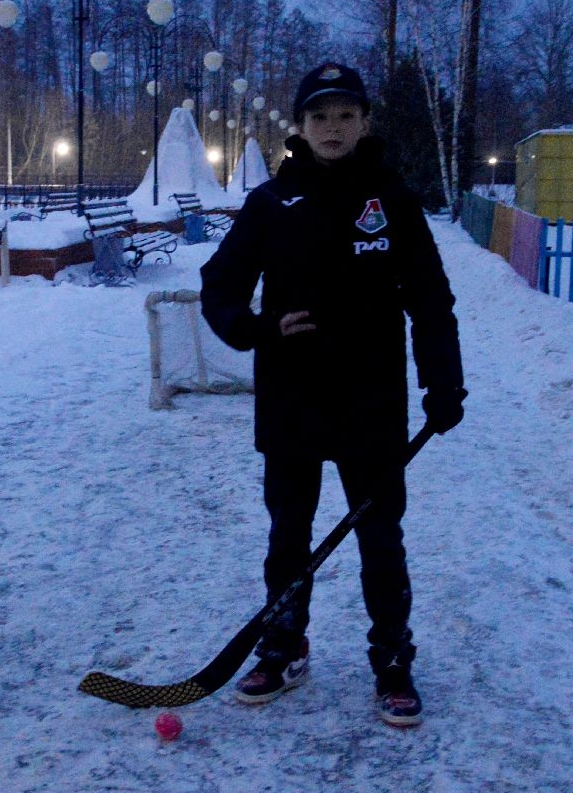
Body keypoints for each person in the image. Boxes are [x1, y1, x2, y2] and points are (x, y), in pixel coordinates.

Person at [199, 62, 466, 727]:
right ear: (301, 127)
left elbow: (430, 300)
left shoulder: (393, 201)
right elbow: (219, 286)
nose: (333, 127)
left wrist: (443, 381)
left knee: (380, 535)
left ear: (364, 121)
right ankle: (284, 646)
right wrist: (257, 329)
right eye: (319, 116)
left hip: (371, 403)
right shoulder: (271, 203)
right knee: (289, 533)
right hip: (292, 399)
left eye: (345, 115)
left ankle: (392, 659)